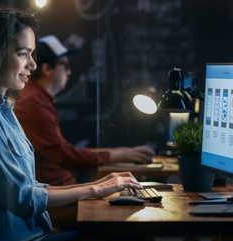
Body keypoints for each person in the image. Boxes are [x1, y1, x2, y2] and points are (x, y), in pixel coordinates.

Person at [0, 7, 142, 241]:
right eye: (23, 54)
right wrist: (95, 190)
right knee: (128, 237)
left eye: (32, 54)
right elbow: (22, 199)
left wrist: (99, 184)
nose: (33, 65)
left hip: (32, 237)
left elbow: (29, 187)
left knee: (126, 233)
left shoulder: (1, 107)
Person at [14, 34, 156, 186]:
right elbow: (65, 156)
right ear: (47, 69)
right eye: (65, 65)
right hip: (53, 192)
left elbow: (63, 151)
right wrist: (121, 154)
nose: (69, 72)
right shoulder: (34, 102)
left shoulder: (37, 97)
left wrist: (121, 152)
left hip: (55, 187)